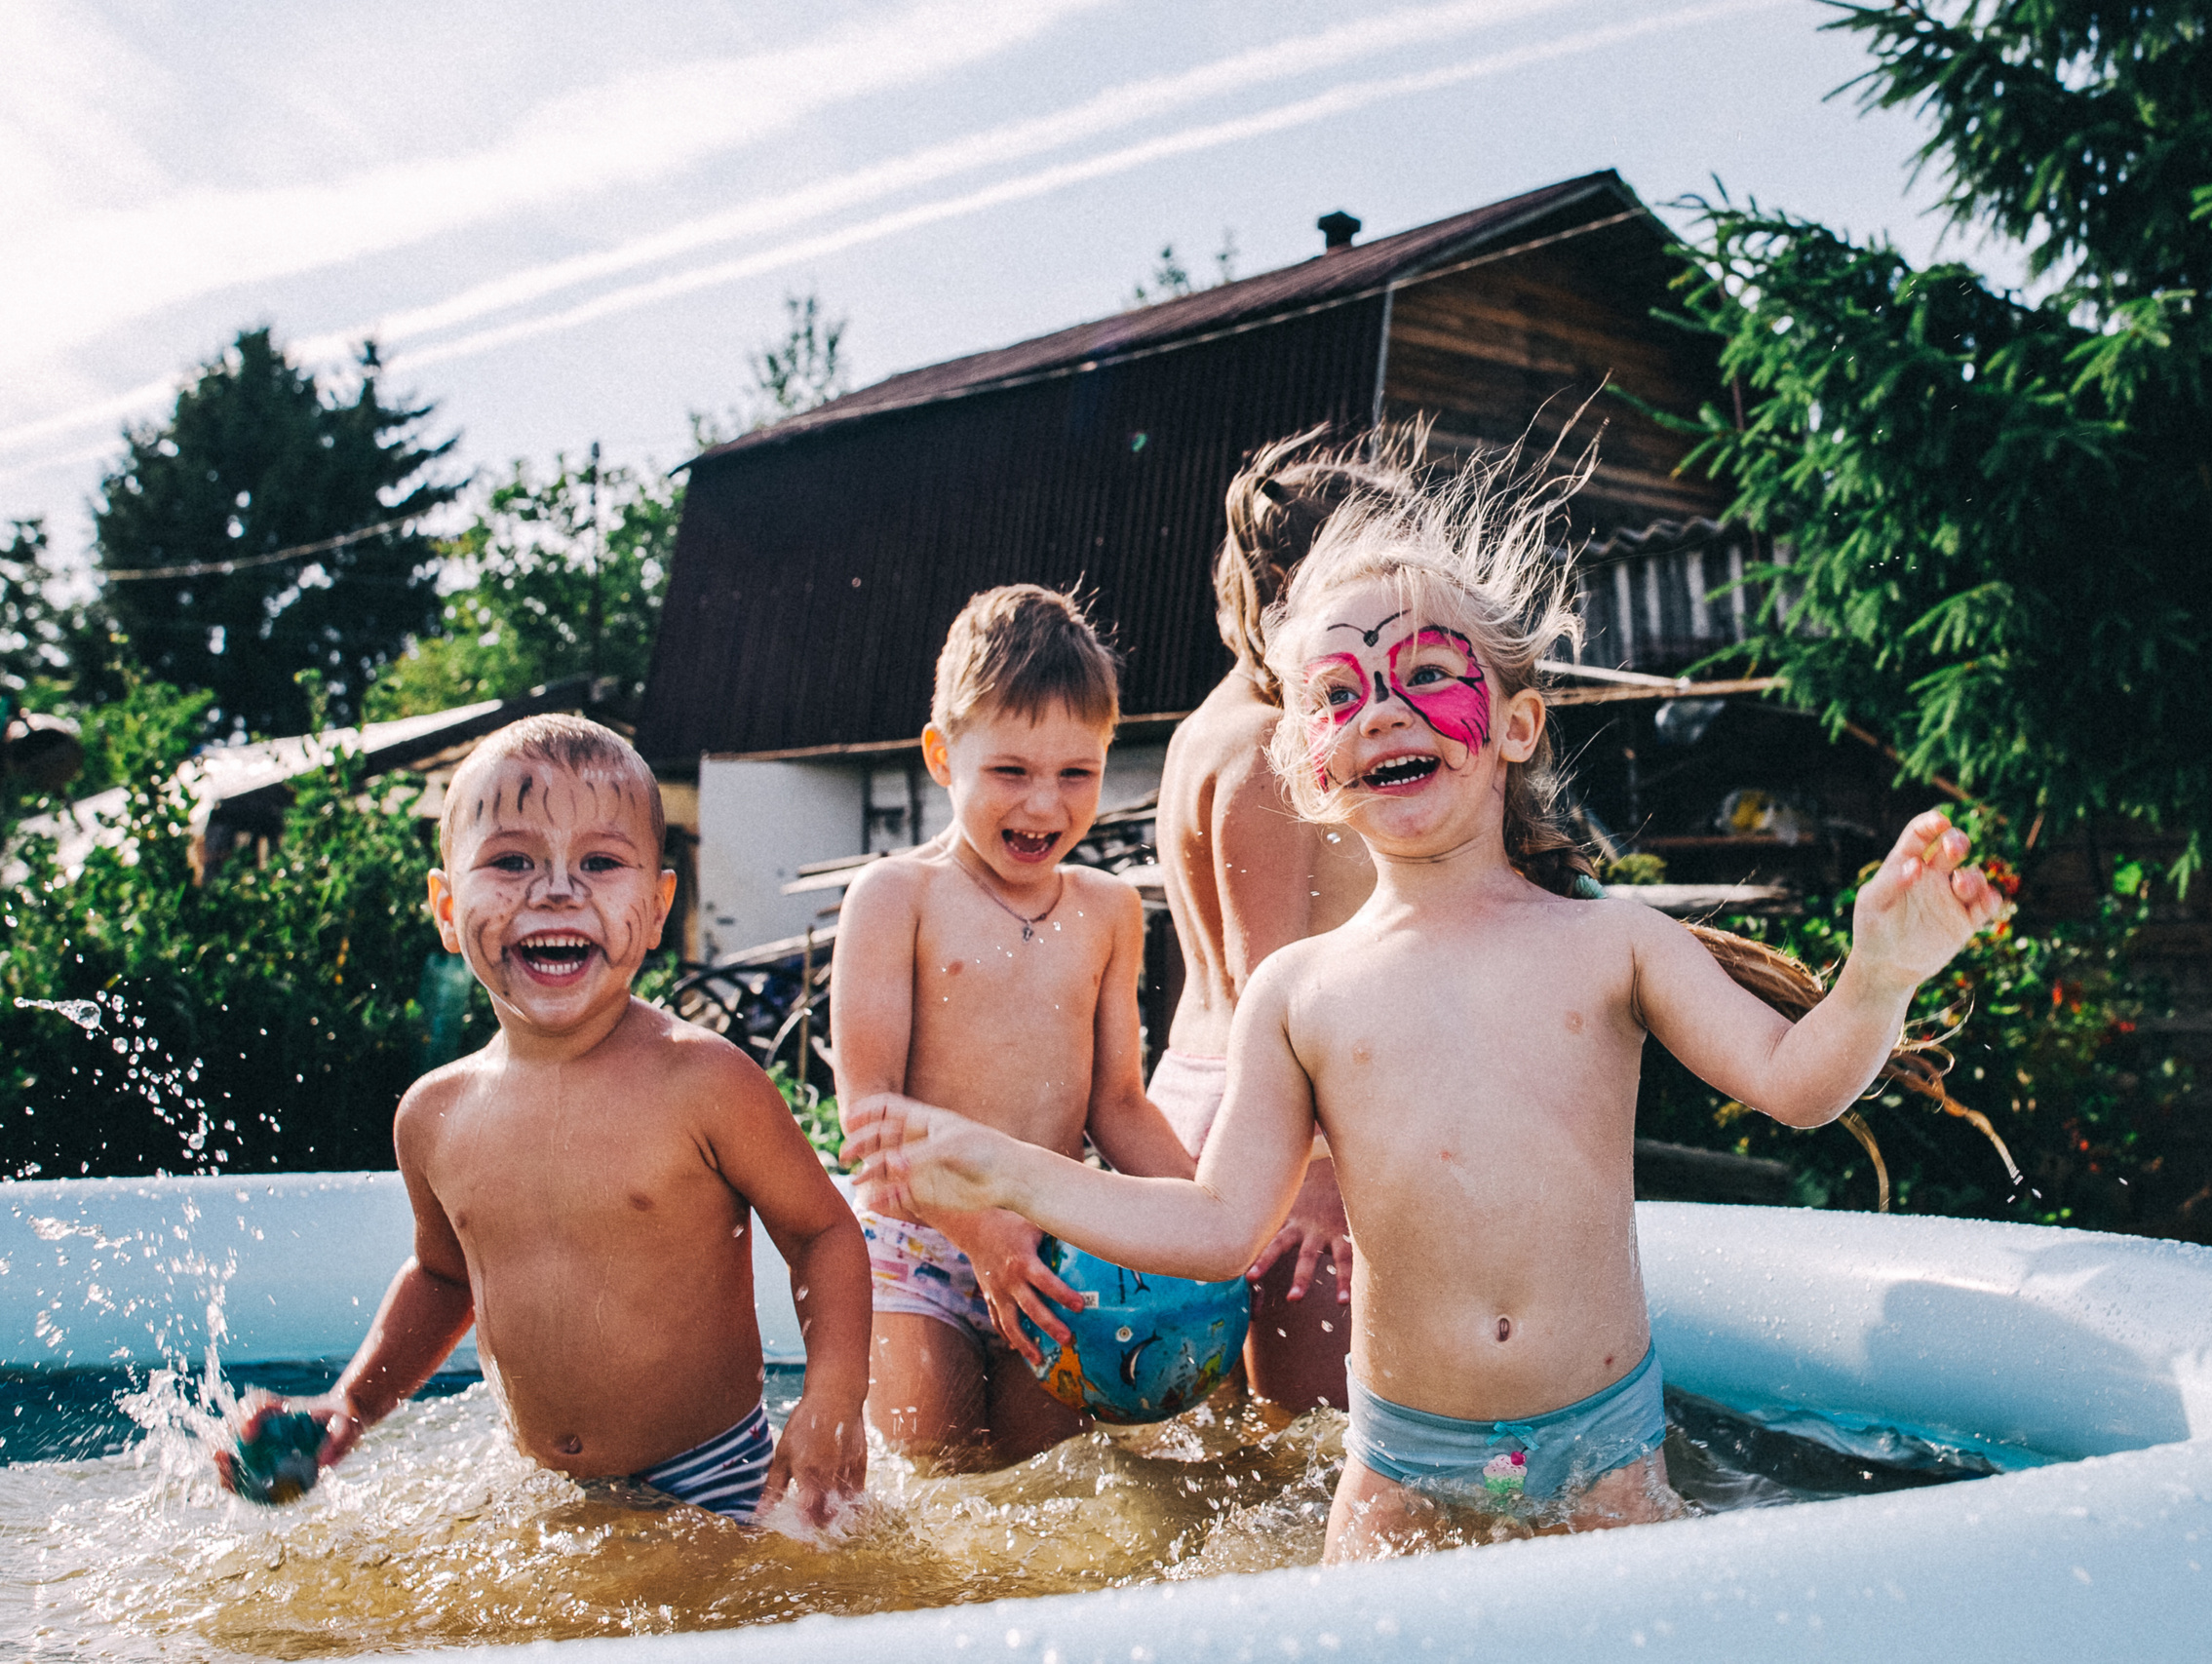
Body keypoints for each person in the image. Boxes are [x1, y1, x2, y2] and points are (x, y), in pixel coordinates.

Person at [845, 467, 2008, 1560]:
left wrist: (1877, 978)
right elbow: (1213, 1229)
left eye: (1427, 677)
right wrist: (1002, 1172)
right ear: (1308, 767)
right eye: (1342, 695)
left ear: (1515, 725)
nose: (1386, 711)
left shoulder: (1610, 944)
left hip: (1604, 1447)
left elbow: (1800, 1085)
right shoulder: (1301, 993)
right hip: (1399, 1466)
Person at [221, 715, 873, 1527]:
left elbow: (824, 1233)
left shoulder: (701, 1080)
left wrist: (832, 1396)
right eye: (512, 861)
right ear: (447, 908)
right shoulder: (434, 1113)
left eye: (600, 861)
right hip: (541, 1486)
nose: (558, 888)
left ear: (661, 901)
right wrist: (347, 1405)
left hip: (719, 1478)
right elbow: (444, 1275)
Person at [832, 585, 1199, 1469]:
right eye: (1011, 772)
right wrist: (978, 1229)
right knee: (942, 1480)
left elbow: (1116, 1104)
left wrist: (1211, 1218)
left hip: (1054, 1255)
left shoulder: (1111, 909)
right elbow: (870, 1117)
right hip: (918, 1242)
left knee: (1049, 1485)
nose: (1044, 806)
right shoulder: (897, 899)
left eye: (1076, 773)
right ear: (942, 755)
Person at [1151, 427, 1416, 1413]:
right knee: (1314, 1434)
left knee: (1227, 1432)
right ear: (1295, 581)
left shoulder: (1202, 726)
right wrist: (1306, 1175)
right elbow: (1277, 987)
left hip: (1195, 1095)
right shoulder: (1272, 745)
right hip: (1271, 1124)